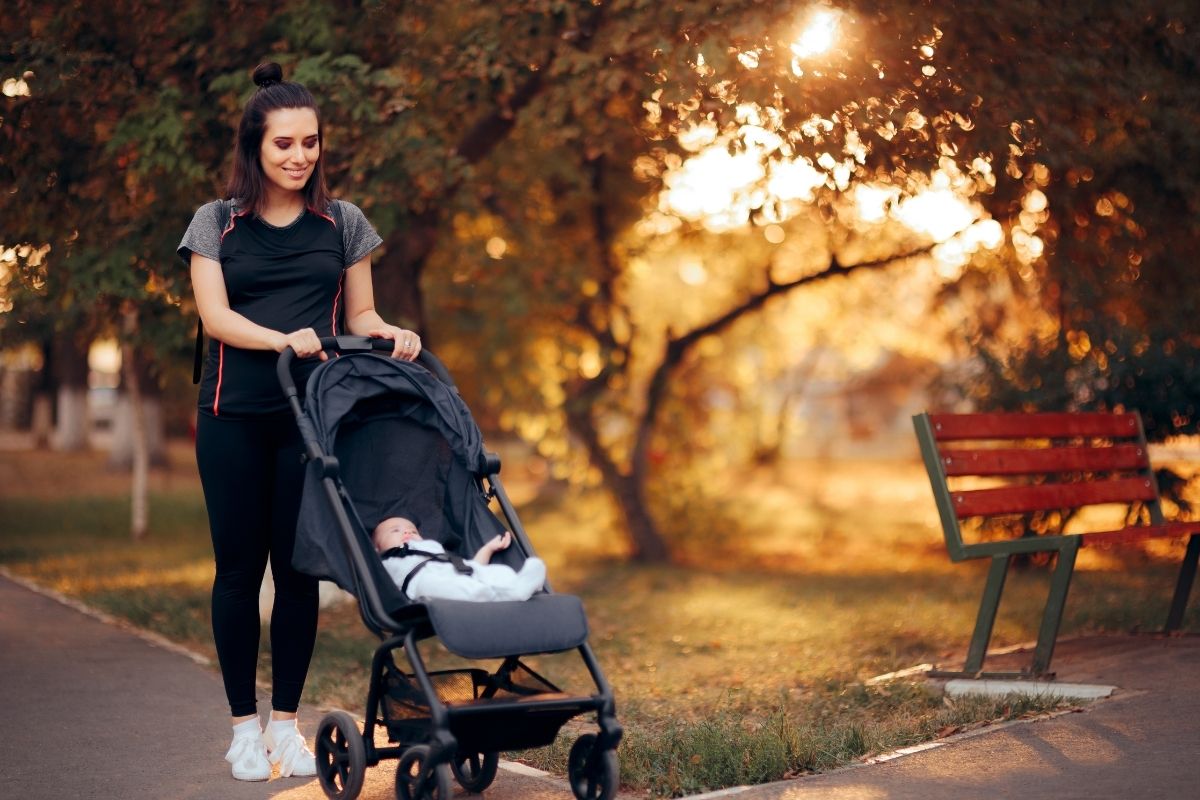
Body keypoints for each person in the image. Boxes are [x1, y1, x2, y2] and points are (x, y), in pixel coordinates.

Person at [177, 62, 422, 782]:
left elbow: (361, 314)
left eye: (310, 142)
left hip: (309, 420)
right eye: (283, 143)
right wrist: (282, 339)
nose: (299, 156)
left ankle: (286, 726)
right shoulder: (214, 222)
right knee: (237, 571)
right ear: (255, 145)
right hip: (231, 416)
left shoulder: (342, 223)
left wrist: (392, 334)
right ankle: (241, 730)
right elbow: (216, 318)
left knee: (298, 572)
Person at [372, 516, 547, 602]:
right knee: (444, 586)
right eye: (395, 530)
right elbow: (374, 579)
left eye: (413, 531)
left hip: (454, 571)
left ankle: (517, 585)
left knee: (494, 572)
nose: (407, 532)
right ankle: (496, 593)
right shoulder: (385, 563)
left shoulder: (432, 549)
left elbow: (470, 567)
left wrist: (488, 549)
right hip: (423, 585)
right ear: (377, 549)